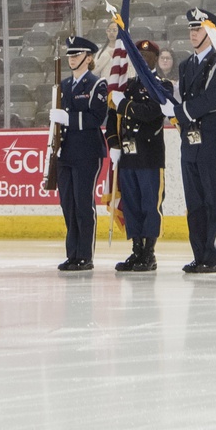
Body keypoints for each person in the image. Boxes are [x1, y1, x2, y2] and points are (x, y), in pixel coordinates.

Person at [177, 9, 216, 274]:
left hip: (214, 133)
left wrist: (183, 112)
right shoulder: (185, 65)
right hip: (190, 137)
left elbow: (214, 96)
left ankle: (212, 255)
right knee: (194, 200)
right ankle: (198, 253)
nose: (193, 33)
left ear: (211, 31)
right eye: (191, 28)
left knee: (214, 198)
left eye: (199, 28)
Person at [106, 38, 175, 273]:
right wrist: (114, 144)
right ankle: (136, 250)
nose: (142, 60)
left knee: (149, 204)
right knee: (132, 204)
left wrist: (124, 105)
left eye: (147, 56)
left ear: (156, 58)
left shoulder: (162, 86)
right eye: (139, 56)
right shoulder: (127, 85)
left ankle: (149, 253)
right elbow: (111, 119)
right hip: (128, 155)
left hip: (149, 155)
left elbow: (150, 113)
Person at [50, 35, 109, 273]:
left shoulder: (97, 85)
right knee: (68, 205)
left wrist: (69, 119)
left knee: (84, 205)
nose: (72, 59)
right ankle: (72, 254)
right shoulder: (63, 86)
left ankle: (85, 255)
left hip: (87, 151)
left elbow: (97, 117)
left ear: (88, 57)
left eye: (76, 55)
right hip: (65, 152)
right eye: (70, 55)